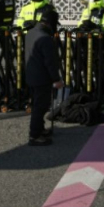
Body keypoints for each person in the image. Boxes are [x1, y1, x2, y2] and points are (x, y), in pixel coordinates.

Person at [24, 10, 64, 146]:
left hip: (31, 75)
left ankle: (40, 129)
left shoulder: (30, 33)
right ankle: (34, 135)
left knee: (37, 104)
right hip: (42, 78)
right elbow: (50, 62)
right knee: (40, 107)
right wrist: (56, 79)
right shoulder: (45, 39)